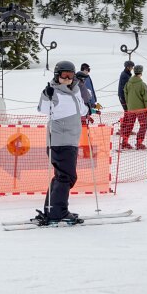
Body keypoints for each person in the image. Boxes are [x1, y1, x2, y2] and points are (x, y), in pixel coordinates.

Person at [33, 60, 88, 225]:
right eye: (65, 75)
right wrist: (46, 94)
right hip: (59, 140)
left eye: (71, 75)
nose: (68, 78)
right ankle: (58, 212)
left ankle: (52, 210)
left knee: (62, 176)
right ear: (57, 75)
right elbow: (42, 109)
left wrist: (89, 108)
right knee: (67, 176)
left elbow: (82, 110)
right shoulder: (53, 91)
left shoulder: (76, 90)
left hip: (71, 140)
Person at [121, 65, 147, 149]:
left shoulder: (128, 83)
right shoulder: (142, 84)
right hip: (141, 109)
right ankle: (139, 142)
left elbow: (125, 95)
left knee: (129, 125)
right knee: (143, 125)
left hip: (131, 109)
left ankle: (124, 142)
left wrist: (129, 105)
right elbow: (146, 98)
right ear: (141, 72)